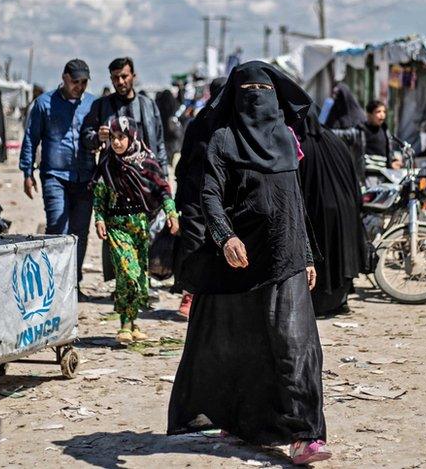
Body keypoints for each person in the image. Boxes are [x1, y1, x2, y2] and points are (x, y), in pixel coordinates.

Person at [168, 62, 330, 465]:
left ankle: (305, 435)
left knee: (297, 345)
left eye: (264, 88)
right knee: (243, 347)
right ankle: (246, 422)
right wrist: (225, 237)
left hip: (286, 255)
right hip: (240, 261)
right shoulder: (222, 139)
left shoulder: (287, 138)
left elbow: (294, 202)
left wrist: (307, 254)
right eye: (248, 89)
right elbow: (209, 195)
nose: (257, 97)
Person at [81, 57, 169, 284]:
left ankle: (142, 283)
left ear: (133, 76)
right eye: (115, 78)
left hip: (145, 181)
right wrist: (97, 138)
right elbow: (86, 137)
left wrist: (163, 176)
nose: (119, 82)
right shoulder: (101, 106)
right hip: (115, 181)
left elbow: (159, 143)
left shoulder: (147, 106)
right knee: (117, 233)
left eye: (124, 76)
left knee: (146, 232)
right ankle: (123, 284)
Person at [93, 116, 179, 344]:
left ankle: (132, 323)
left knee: (139, 275)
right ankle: (123, 324)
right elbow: (99, 195)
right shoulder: (108, 163)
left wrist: (171, 212)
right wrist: (99, 219)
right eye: (112, 138)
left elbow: (162, 189)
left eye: (121, 137)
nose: (117, 143)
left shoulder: (147, 161)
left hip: (141, 226)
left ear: (132, 136)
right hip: (117, 226)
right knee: (126, 272)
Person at [20, 59, 96, 288]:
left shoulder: (92, 104)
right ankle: (54, 282)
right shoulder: (44, 104)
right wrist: (27, 171)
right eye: (75, 82)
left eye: (83, 82)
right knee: (57, 228)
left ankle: (73, 283)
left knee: (80, 232)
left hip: (85, 177)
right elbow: (31, 139)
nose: (79, 87)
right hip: (54, 176)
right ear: (64, 78)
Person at [296, 109, 368, 317]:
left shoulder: (301, 145)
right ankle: (341, 300)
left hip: (318, 211)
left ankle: (320, 304)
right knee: (342, 252)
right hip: (347, 208)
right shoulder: (335, 140)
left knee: (324, 257)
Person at [172, 76, 227, 319]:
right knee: (193, 244)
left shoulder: (234, 124)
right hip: (196, 195)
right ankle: (190, 294)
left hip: (225, 197)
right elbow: (184, 163)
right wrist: (178, 199)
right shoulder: (197, 125)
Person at [361, 100, 400, 170]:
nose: (382, 115)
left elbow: (388, 152)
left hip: (383, 173)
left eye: (384, 112)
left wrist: (393, 161)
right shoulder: (361, 130)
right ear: (369, 114)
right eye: (378, 112)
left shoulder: (385, 130)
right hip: (368, 174)